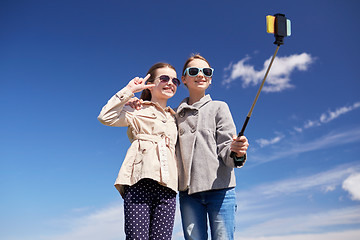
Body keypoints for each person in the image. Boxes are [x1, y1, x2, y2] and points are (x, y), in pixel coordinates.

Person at [97, 62, 180, 239]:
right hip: (139, 182)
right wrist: (129, 91)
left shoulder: (176, 118)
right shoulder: (136, 108)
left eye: (175, 80)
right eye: (164, 78)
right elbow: (105, 117)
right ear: (150, 84)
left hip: (168, 187)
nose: (170, 82)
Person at [176, 54, 249, 240]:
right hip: (188, 194)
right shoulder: (175, 116)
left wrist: (237, 152)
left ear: (210, 79)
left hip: (221, 190)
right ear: (184, 78)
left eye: (206, 72)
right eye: (194, 71)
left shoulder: (219, 107)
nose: (200, 75)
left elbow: (227, 148)